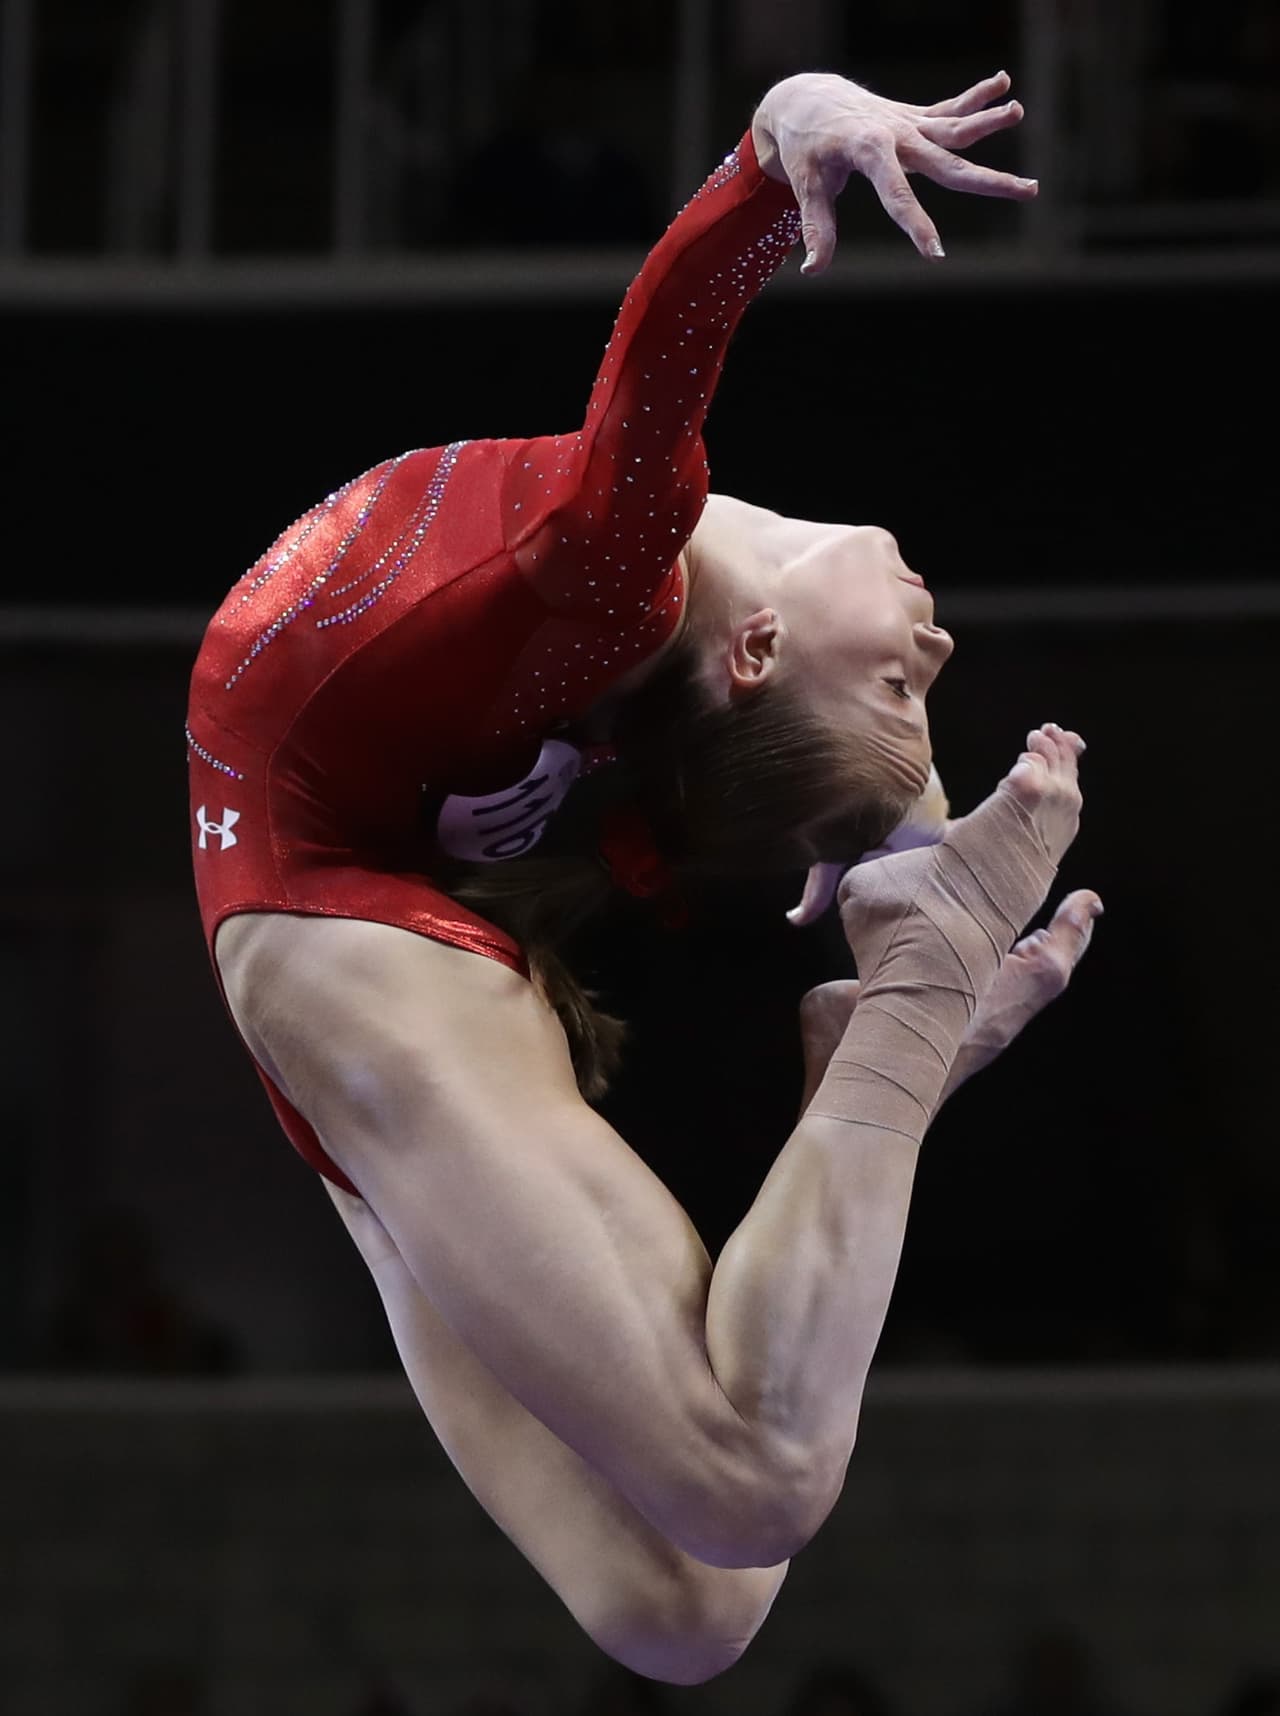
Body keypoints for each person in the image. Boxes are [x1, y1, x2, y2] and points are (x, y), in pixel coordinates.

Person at [188, 65, 1101, 1685]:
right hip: (327, 917)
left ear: (757, 653)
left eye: (908, 686)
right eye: (925, 687)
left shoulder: (629, 604)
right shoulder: (645, 633)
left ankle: (903, 1015)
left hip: (330, 916)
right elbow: (668, 413)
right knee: (709, 1566)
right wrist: (779, 147)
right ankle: (901, 1030)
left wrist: (786, 136)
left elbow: (663, 381)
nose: (940, 643)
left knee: (694, 1594)